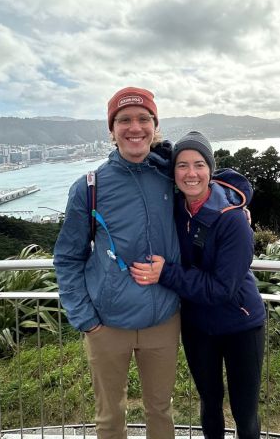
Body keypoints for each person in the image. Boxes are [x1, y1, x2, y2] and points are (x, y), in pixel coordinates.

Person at [54, 87, 181, 439]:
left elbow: (212, 183)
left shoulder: (170, 176)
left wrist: (239, 204)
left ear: (155, 127)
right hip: (107, 324)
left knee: (161, 410)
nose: (134, 127)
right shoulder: (89, 187)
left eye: (144, 119)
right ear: (112, 130)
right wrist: (85, 319)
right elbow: (67, 256)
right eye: (124, 120)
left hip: (163, 318)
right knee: (110, 418)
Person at [131, 130, 266, 439]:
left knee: (245, 412)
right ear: (173, 171)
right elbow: (149, 164)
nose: (191, 173)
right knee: (209, 402)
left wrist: (167, 273)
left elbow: (221, 289)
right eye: (182, 165)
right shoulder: (175, 209)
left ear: (211, 170)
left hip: (241, 325)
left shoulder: (232, 219)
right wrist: (157, 145)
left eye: (199, 165)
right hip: (197, 326)